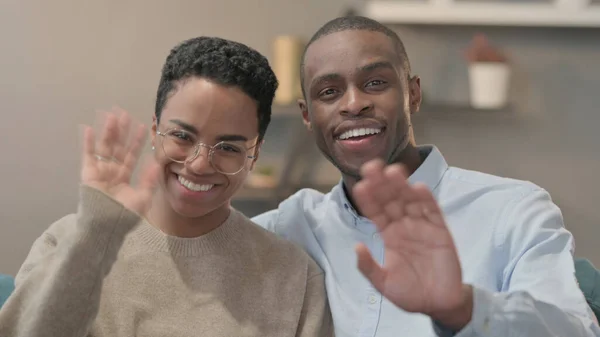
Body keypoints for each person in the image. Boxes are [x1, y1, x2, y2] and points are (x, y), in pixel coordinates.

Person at [252, 15, 600, 337]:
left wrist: (463, 307)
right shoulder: (289, 226)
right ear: (307, 115)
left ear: (413, 94)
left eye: (375, 82)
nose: (353, 103)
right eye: (329, 92)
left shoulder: (513, 211)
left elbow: (575, 329)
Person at [0, 36, 333, 337]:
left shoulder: (294, 277)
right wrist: (95, 238)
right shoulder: (70, 241)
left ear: (255, 153)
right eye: (182, 136)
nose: (200, 164)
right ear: (155, 129)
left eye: (229, 148)